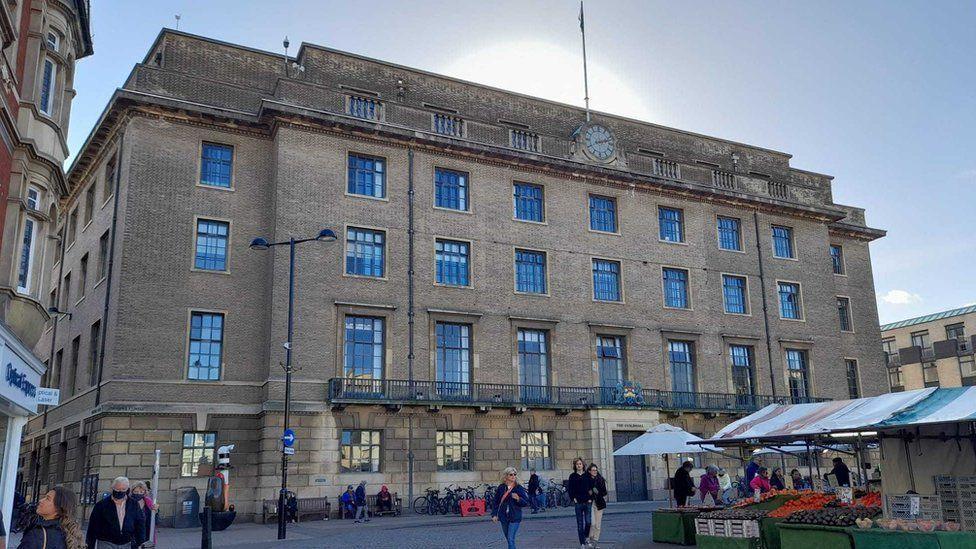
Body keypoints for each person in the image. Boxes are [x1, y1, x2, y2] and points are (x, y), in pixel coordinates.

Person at [85, 476, 147, 549]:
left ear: (127, 490)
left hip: (127, 543)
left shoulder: (134, 504)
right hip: (106, 543)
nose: (120, 491)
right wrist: (90, 546)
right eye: (117, 489)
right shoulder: (101, 505)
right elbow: (93, 527)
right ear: (112, 489)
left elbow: (140, 524)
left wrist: (141, 542)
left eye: (123, 489)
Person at [18, 485, 85, 549]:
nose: (41, 501)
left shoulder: (37, 535)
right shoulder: (69, 534)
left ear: (59, 508)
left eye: (47, 499)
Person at [490, 467, 529, 549]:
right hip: (504, 517)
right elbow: (495, 502)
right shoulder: (501, 487)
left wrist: (518, 498)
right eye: (511, 474)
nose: (513, 476)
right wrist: (494, 515)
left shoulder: (518, 488)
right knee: (508, 539)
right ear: (506, 476)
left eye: (515, 474)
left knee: (511, 539)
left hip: (515, 517)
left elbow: (526, 502)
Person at [567, 457, 593, 549]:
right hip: (578, 503)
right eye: (577, 464)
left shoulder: (587, 475)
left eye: (580, 464)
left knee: (589, 522)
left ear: (583, 465)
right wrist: (573, 499)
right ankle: (582, 543)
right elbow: (570, 489)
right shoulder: (572, 476)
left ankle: (586, 537)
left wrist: (591, 498)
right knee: (580, 524)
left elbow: (591, 488)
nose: (579, 465)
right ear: (575, 466)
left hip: (587, 502)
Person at [586, 463, 608, 548]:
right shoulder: (587, 480)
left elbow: (604, 492)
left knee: (598, 525)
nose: (595, 471)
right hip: (590, 503)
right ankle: (589, 539)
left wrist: (597, 492)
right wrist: (589, 492)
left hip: (599, 504)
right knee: (592, 523)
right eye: (593, 470)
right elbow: (585, 491)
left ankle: (594, 543)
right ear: (589, 471)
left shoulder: (600, 479)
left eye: (596, 470)